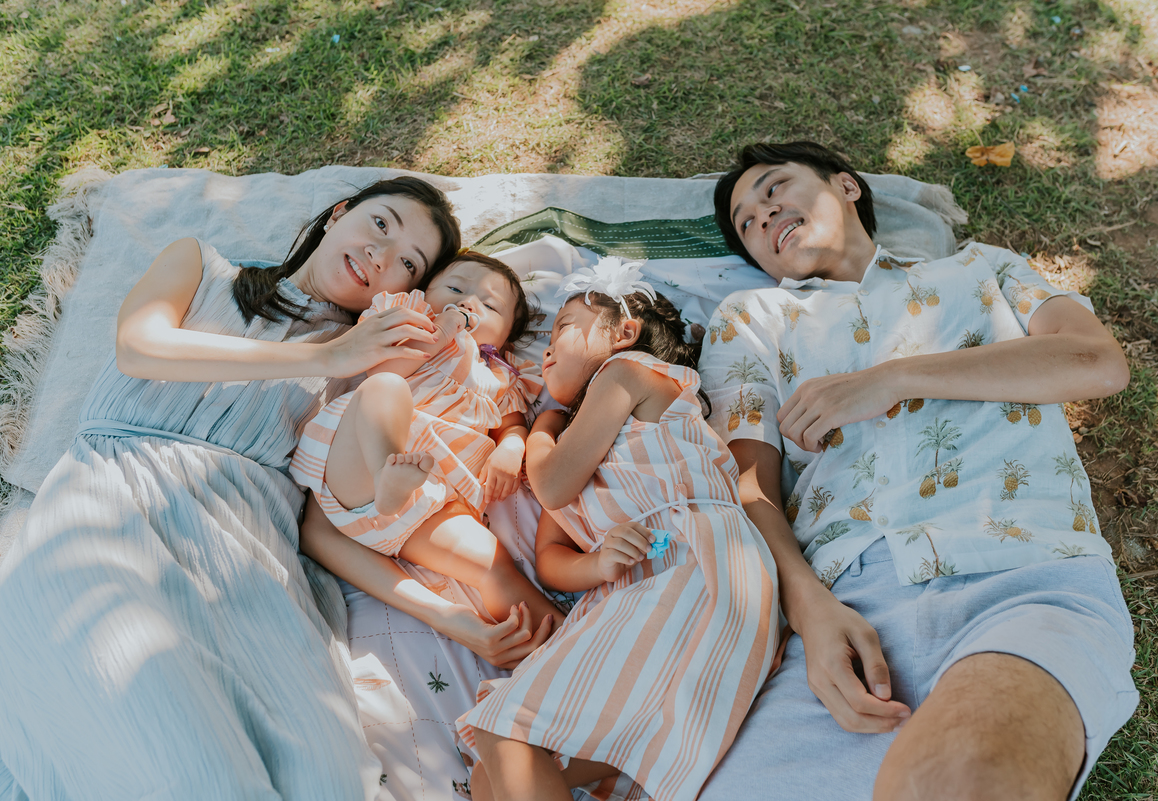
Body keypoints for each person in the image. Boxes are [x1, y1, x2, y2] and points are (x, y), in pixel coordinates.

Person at [0, 177, 550, 801]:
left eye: (407, 264)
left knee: (330, 777)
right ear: (339, 213)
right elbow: (139, 347)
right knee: (188, 768)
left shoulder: (374, 367)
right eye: (381, 225)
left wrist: (454, 619)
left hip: (251, 555)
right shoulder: (199, 265)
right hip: (116, 503)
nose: (382, 256)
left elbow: (321, 528)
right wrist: (327, 359)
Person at [696, 141, 1137, 801]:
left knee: (964, 780)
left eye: (773, 188)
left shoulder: (980, 268)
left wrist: (893, 379)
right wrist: (809, 609)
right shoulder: (749, 322)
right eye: (747, 224)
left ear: (846, 186)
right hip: (846, 617)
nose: (763, 217)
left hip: (1022, 575)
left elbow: (1096, 361)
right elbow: (747, 484)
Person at [458, 258, 780, 801]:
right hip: (630, 589)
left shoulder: (628, 376)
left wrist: (541, 423)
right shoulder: (577, 445)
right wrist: (598, 563)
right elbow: (551, 559)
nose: (546, 350)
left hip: (691, 564)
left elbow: (554, 485)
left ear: (625, 334)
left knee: (503, 732)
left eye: (562, 329)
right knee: (487, 775)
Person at [290, 251, 563, 627]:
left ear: (504, 339)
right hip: (357, 468)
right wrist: (443, 329)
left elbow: (513, 424)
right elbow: (386, 367)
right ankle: (387, 473)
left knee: (491, 563)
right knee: (387, 387)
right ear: (423, 291)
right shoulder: (409, 319)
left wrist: (512, 445)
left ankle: (565, 640)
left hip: (429, 502)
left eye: (490, 306)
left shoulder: (501, 376)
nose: (469, 302)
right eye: (455, 288)